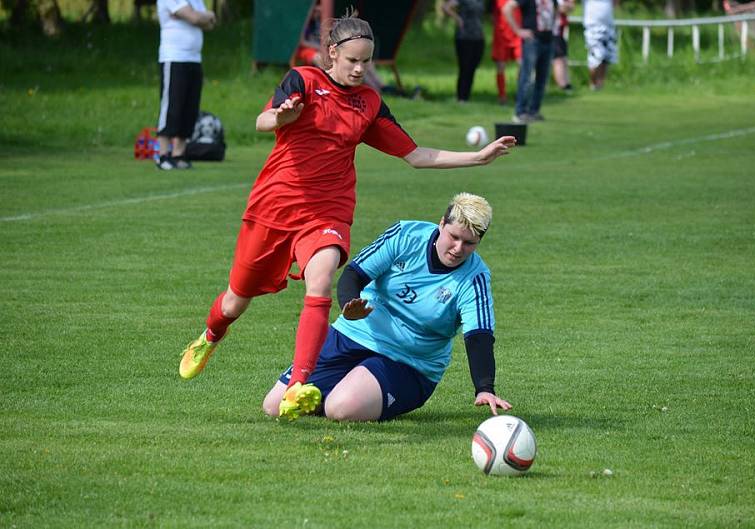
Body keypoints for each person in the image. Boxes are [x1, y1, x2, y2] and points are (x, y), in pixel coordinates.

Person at [178, 13, 517, 421]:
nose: (360, 70)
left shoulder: (369, 103)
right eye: (353, 60)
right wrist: (282, 115)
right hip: (274, 206)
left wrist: (477, 159)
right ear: (332, 53)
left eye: (367, 62)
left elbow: (414, 154)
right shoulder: (302, 80)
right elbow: (262, 120)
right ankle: (212, 334)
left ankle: (300, 384)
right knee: (236, 300)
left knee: (320, 279)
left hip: (328, 209)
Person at [263, 193, 513, 422]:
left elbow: (478, 337)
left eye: (469, 243)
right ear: (441, 224)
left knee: (341, 409)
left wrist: (484, 388)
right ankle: (344, 387)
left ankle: (344, 392)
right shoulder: (406, 235)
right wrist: (350, 304)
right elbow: (354, 274)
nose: (458, 248)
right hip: (353, 336)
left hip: (408, 362)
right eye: (454, 237)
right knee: (274, 406)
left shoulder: (475, 278)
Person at [155, 0, 216, 170]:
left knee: (189, 108)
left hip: (194, 59)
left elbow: (209, 25)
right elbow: (196, 19)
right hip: (173, 58)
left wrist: (201, 17)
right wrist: (204, 16)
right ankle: (163, 155)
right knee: (171, 107)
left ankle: (178, 154)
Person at [502, 0, 558, 123]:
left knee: (542, 79)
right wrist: (518, 31)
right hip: (532, 40)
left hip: (548, 40)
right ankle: (520, 111)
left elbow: (555, 11)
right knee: (526, 77)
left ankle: (534, 111)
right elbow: (507, 8)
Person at [442, 0, 486, 103]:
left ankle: (466, 96)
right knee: (465, 67)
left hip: (478, 36)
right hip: (464, 36)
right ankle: (461, 96)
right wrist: (458, 19)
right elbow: (446, 7)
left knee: (473, 66)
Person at [492, 0, 522, 105]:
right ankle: (502, 95)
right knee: (500, 66)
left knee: (522, 64)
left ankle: (520, 94)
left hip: (517, 34)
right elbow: (494, 16)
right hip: (501, 35)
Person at [583, 0, 618, 90]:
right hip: (592, 26)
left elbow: (615, 3)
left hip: (608, 26)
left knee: (606, 57)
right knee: (595, 56)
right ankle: (593, 84)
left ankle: (600, 85)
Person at [551, 0, 575, 93]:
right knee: (558, 59)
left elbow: (571, 7)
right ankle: (563, 86)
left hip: (560, 32)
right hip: (552, 31)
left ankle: (566, 84)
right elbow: (557, 8)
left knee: (563, 58)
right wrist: (563, 7)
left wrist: (564, 7)